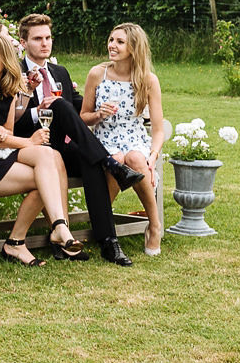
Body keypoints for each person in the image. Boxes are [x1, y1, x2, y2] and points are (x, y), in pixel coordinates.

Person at [13, 13, 145, 266]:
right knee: (61, 109)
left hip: (60, 145)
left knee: (89, 158)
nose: (45, 43)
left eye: (48, 38)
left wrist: (100, 110)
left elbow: (77, 108)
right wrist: (38, 110)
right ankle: (111, 163)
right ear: (23, 43)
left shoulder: (58, 71)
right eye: (38, 38)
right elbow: (9, 120)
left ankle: (108, 242)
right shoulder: (14, 72)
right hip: (31, 145)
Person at [0, 33, 84, 267]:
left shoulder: (7, 89)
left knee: (49, 156)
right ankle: (40, 235)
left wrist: (5, 133)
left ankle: (41, 233)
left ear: (6, 61)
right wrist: (28, 141)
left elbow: (6, 133)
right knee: (47, 175)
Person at [80, 23, 166, 256]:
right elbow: (83, 118)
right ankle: (104, 227)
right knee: (116, 159)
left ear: (133, 48)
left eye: (119, 42)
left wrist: (153, 155)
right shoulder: (98, 73)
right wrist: (99, 114)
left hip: (135, 138)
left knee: (137, 159)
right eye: (111, 40)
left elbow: (157, 129)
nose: (112, 45)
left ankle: (154, 225)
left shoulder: (148, 80)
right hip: (104, 139)